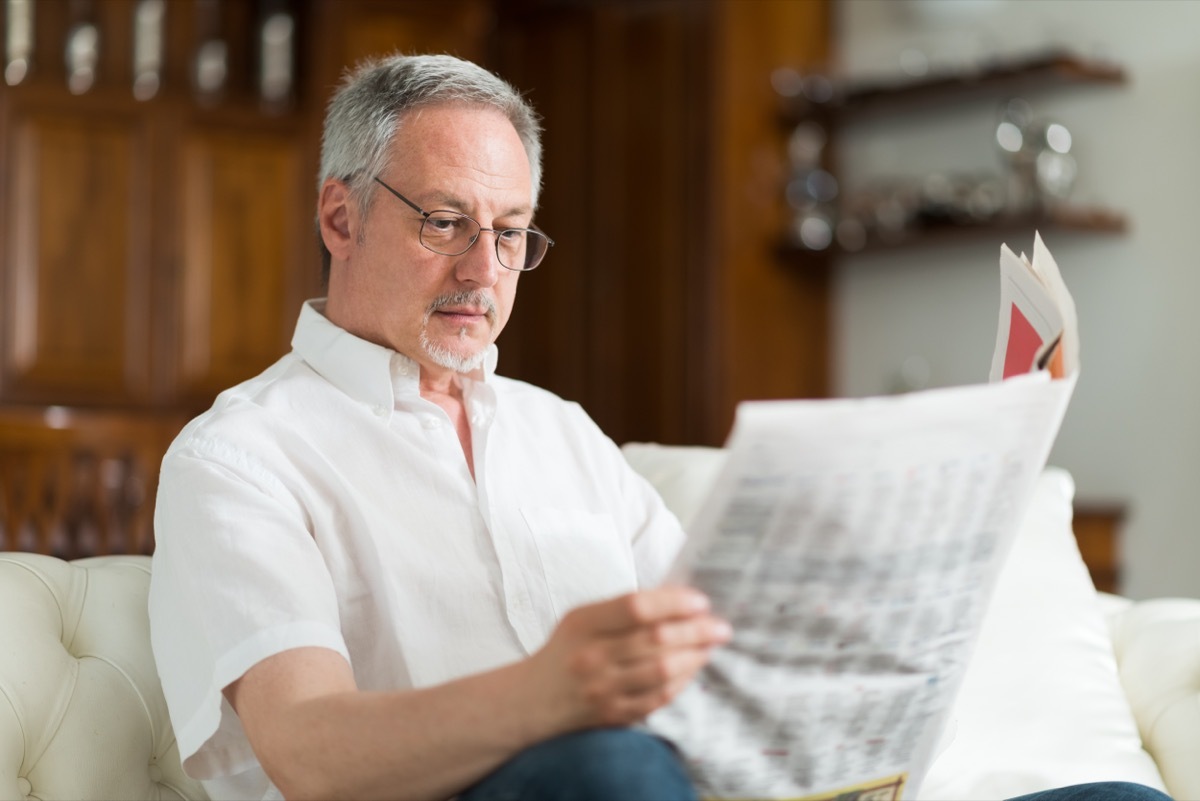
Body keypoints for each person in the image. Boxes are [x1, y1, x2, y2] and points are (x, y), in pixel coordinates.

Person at [149, 53, 1173, 801]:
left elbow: (727, 663)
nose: (482, 273)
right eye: (444, 222)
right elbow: (310, 750)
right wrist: (545, 695)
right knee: (611, 762)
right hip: (563, 786)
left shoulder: (565, 439)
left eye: (509, 235)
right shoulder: (241, 456)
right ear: (340, 218)